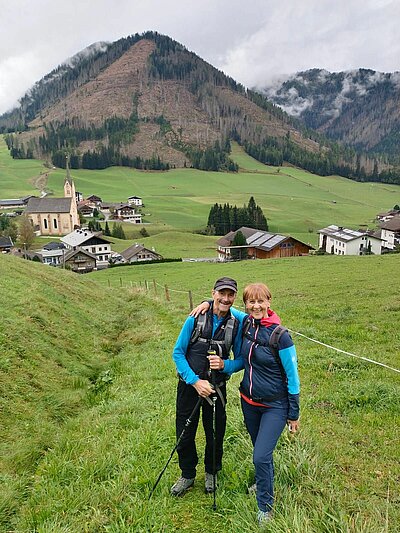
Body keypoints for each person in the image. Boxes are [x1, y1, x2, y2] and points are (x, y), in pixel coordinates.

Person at [199, 283, 300, 526]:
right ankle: (263, 481)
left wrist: (293, 414)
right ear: (246, 305)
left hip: (275, 406)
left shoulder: (281, 336)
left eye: (260, 301)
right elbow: (242, 360)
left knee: (260, 456)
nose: (256, 306)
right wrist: (225, 365)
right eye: (251, 302)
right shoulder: (246, 324)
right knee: (261, 453)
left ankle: (265, 506)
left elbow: (293, 377)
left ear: (269, 302)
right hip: (248, 402)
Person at [170, 277, 245, 497]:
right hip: (189, 386)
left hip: (216, 388)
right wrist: (194, 381)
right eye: (221, 293)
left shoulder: (236, 323)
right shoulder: (195, 318)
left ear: (234, 297)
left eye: (230, 294)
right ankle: (187, 474)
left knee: (215, 433)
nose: (226, 298)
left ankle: (212, 471)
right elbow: (178, 352)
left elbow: (240, 359)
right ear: (213, 293)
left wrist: (225, 364)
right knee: (184, 431)